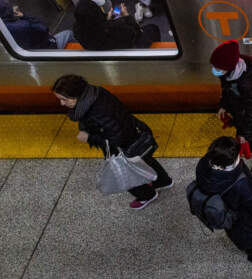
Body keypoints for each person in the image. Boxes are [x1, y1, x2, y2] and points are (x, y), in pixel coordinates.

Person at [52, 74, 172, 209]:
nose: (61, 103)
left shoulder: (95, 112)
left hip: (121, 146)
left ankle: (147, 195)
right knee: (144, 158)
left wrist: (89, 138)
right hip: (134, 132)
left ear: (77, 96)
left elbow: (115, 138)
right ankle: (163, 181)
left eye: (64, 99)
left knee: (124, 173)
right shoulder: (96, 92)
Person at [192, 136, 252, 262]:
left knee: (236, 232)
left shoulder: (203, 164)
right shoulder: (242, 184)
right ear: (232, 160)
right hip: (244, 218)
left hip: (227, 215)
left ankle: (245, 245)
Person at [211, 39, 252, 173]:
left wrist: (245, 135)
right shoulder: (229, 73)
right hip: (242, 113)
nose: (215, 70)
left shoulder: (247, 84)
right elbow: (226, 91)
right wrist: (223, 106)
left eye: (218, 68)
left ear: (228, 66)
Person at [73, 0, 159, 50]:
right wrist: (127, 16)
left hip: (102, 50)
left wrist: (107, 19)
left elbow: (97, 26)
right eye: (98, 8)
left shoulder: (77, 30)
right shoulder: (116, 26)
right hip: (130, 49)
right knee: (152, 28)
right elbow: (137, 32)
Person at [0, 0, 72, 50]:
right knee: (69, 33)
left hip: (30, 54)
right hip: (45, 49)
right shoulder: (24, 25)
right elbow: (43, 28)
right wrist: (24, 16)